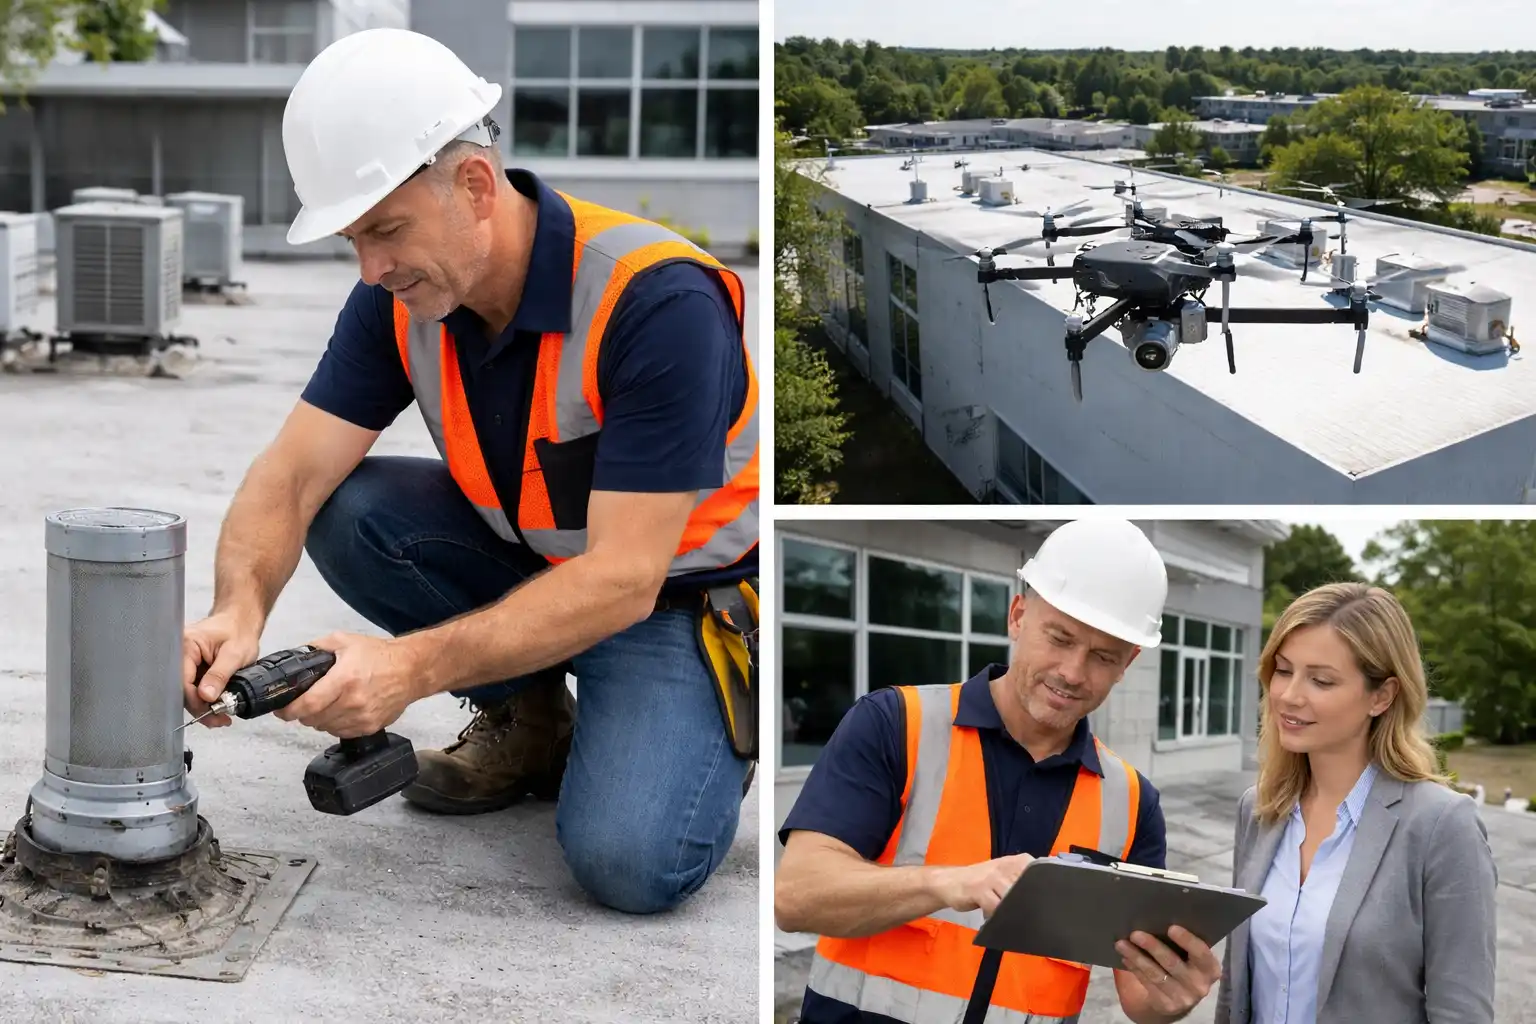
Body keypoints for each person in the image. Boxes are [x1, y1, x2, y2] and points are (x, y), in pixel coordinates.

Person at [176, 28, 759, 916]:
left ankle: (669, 728)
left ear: (476, 187)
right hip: (533, 563)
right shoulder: (403, 295)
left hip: (674, 601)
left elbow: (624, 580)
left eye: (386, 231)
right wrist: (238, 606)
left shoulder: (658, 303)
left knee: (630, 863)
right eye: (352, 241)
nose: (370, 269)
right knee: (352, 506)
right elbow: (291, 476)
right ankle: (534, 720)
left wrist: (404, 672)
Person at [775, 519, 1225, 1024]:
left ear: (1128, 663)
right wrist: (951, 883)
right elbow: (795, 897)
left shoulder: (1132, 802)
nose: (1073, 673)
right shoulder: (895, 725)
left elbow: (1140, 998)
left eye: (1103, 657)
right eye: (1059, 637)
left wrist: (1174, 996)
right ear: (1017, 615)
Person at [1213, 582, 1498, 1024]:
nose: (1289, 695)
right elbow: (1236, 990)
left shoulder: (1442, 825)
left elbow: (1462, 1012)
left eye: (1321, 680)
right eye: (1283, 670)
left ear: (1382, 696)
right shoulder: (1259, 809)